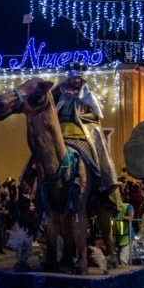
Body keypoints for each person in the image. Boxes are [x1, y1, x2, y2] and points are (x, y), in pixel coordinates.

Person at [52, 62, 121, 208]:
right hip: (60, 129)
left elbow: (96, 115)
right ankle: (31, 180)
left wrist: (82, 117)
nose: (76, 81)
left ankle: (102, 178)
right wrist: (59, 92)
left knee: (96, 149)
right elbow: (50, 104)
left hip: (81, 130)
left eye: (78, 78)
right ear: (69, 79)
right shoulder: (60, 93)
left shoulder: (88, 95)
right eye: (73, 78)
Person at [112, 190, 135, 265]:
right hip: (117, 239)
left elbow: (131, 217)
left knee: (122, 259)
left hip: (128, 239)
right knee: (116, 261)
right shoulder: (111, 210)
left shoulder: (128, 206)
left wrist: (124, 218)